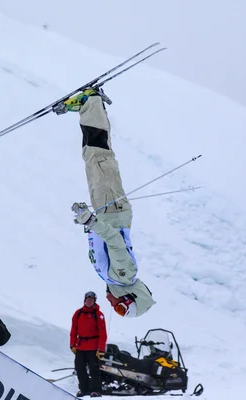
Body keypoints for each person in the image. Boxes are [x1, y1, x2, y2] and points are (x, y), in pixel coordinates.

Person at [58, 88, 156, 318]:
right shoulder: (124, 275)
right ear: (129, 297)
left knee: (94, 159)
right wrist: (91, 221)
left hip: (108, 212)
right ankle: (91, 101)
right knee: (100, 158)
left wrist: (88, 223)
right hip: (112, 211)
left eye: (118, 311)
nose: (113, 306)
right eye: (121, 308)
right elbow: (114, 239)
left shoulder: (114, 278)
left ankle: (92, 107)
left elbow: (104, 243)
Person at [70, 291, 107, 398]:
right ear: (84, 300)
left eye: (91, 300)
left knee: (94, 369)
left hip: (93, 347)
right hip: (81, 346)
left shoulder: (98, 315)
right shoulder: (78, 313)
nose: (89, 301)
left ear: (94, 301)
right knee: (79, 368)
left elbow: (102, 333)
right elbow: (74, 330)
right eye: (87, 300)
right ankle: (84, 390)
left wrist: (100, 348)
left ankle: (96, 391)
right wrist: (72, 344)